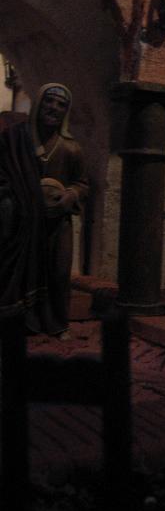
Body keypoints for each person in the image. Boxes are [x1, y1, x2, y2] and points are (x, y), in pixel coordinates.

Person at [0, 83, 88, 336]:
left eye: (61, 104)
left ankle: (56, 324)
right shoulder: (14, 139)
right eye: (49, 101)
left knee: (58, 273)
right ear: (38, 103)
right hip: (21, 222)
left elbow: (82, 183)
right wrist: (14, 198)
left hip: (56, 223)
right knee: (20, 272)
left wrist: (70, 195)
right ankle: (20, 322)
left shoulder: (71, 148)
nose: (54, 108)